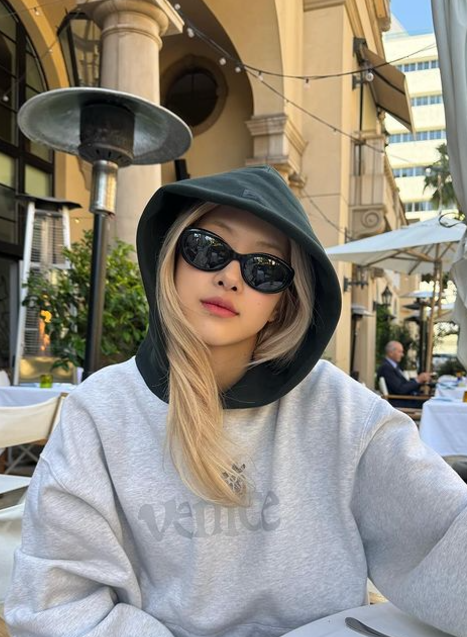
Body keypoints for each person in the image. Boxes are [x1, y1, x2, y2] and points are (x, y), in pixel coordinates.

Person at [5, 166, 467, 637]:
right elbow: (54, 605)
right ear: (171, 257)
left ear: (283, 303)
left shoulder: (342, 411)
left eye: (265, 269)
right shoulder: (99, 414)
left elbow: (444, 535)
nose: (229, 277)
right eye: (207, 248)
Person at [377, 341, 431, 409]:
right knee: (430, 404)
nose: (402, 355)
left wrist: (419, 381)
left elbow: (403, 384)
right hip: (399, 402)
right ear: (391, 353)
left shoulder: (393, 366)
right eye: (400, 352)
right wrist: (418, 380)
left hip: (405, 399)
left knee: (431, 401)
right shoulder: (386, 368)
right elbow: (400, 389)